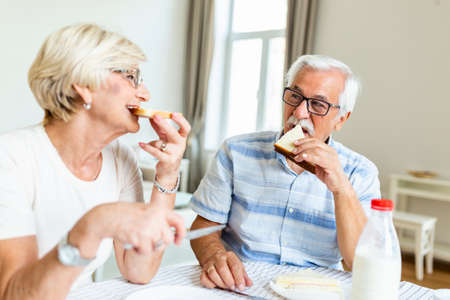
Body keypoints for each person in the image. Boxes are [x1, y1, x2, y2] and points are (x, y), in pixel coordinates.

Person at [0, 23, 191, 299]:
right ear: (84, 86)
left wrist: (168, 172)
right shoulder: (10, 158)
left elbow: (139, 270)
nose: (145, 94)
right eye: (131, 77)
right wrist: (92, 226)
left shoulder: (121, 159)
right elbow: (13, 294)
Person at [189, 55, 381, 291]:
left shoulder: (360, 172)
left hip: (315, 290)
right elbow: (204, 226)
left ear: (341, 119)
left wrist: (341, 188)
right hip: (240, 285)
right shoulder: (236, 151)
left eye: (318, 105)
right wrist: (214, 255)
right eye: (294, 96)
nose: (299, 113)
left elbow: (361, 263)